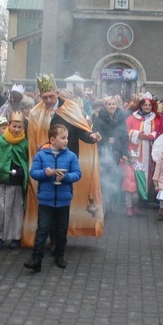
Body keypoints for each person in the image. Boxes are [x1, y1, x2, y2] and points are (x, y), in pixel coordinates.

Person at [21, 74, 103, 247]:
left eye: (51, 96)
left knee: (63, 202)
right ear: (39, 96)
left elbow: (81, 130)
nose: (49, 100)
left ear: (57, 93)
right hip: (45, 162)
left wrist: (92, 136)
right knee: (46, 201)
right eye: (45, 97)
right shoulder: (36, 112)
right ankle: (49, 237)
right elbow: (33, 139)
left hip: (66, 161)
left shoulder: (71, 107)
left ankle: (59, 239)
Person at [24, 124, 82, 272]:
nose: (66, 141)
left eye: (67, 138)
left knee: (61, 230)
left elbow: (78, 174)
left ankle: (60, 255)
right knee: (42, 229)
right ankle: (36, 258)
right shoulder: (41, 155)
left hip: (63, 200)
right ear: (52, 139)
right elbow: (33, 173)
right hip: (46, 199)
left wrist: (66, 177)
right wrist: (45, 173)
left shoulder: (71, 156)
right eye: (63, 138)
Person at [0, 111, 29, 250]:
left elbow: (26, 161)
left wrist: (21, 172)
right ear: (9, 125)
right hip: (1, 181)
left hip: (16, 182)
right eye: (14, 126)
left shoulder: (24, 143)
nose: (17, 129)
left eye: (20, 127)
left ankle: (15, 236)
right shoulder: (0, 142)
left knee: (15, 210)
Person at [92, 95, 129, 213]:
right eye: (109, 104)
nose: (112, 106)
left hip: (116, 152)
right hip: (104, 152)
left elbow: (124, 136)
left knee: (114, 177)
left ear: (117, 105)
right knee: (104, 178)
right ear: (105, 105)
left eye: (113, 104)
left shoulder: (121, 117)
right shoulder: (99, 118)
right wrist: (106, 144)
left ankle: (110, 202)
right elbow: (97, 134)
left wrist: (124, 152)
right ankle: (103, 204)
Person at [126, 93, 159, 203]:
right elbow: (126, 131)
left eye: (149, 105)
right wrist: (136, 134)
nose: (147, 107)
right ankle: (136, 198)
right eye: (145, 105)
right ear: (141, 105)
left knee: (149, 171)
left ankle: (146, 197)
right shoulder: (132, 117)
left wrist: (153, 135)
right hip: (136, 149)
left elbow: (159, 131)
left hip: (149, 149)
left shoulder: (155, 118)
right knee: (135, 172)